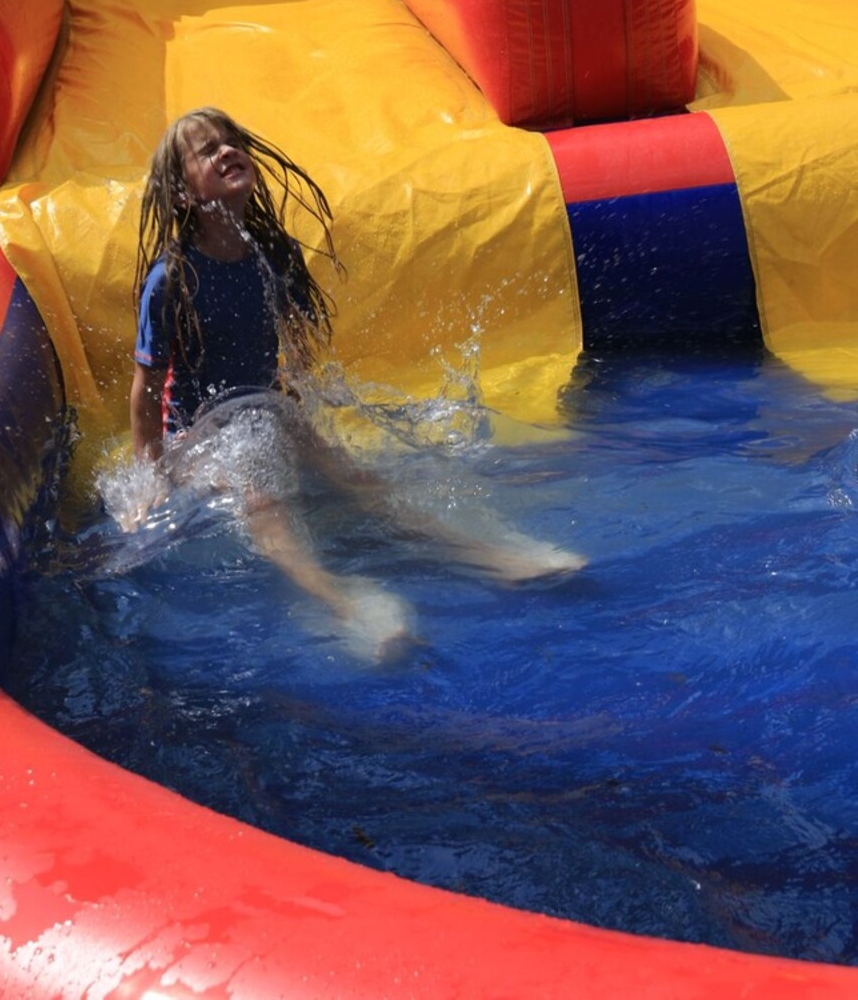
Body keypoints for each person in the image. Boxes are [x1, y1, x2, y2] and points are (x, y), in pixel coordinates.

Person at [129, 106, 584, 661]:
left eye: (231, 141)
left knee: (360, 481)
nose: (227, 151)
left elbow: (293, 352)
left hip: (262, 412)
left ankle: (493, 556)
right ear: (181, 194)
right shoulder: (173, 278)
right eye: (207, 150)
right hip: (201, 437)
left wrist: (306, 425)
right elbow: (146, 390)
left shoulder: (273, 255)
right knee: (264, 501)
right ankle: (343, 602)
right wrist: (153, 478)